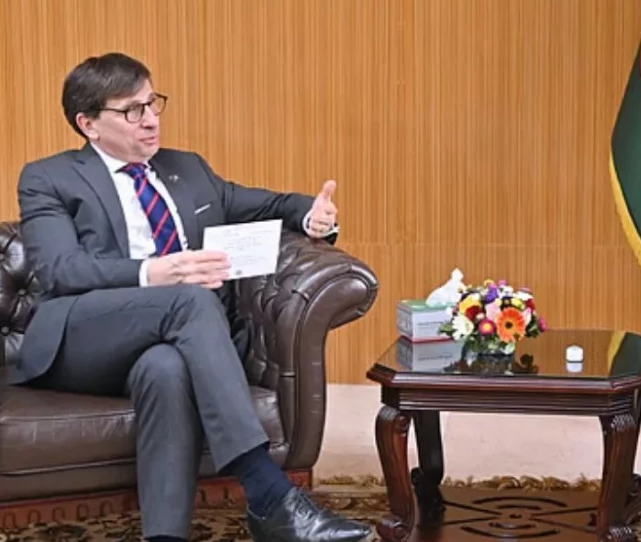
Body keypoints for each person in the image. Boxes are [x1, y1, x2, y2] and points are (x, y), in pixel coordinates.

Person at [9, 52, 376, 542]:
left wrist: (313, 215)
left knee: (166, 369)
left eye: (152, 103)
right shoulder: (49, 177)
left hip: (165, 340)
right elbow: (60, 269)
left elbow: (269, 204)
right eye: (132, 110)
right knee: (189, 298)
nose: (150, 120)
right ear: (88, 124)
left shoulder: (187, 169)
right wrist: (155, 272)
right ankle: (269, 493)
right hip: (83, 337)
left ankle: (165, 537)